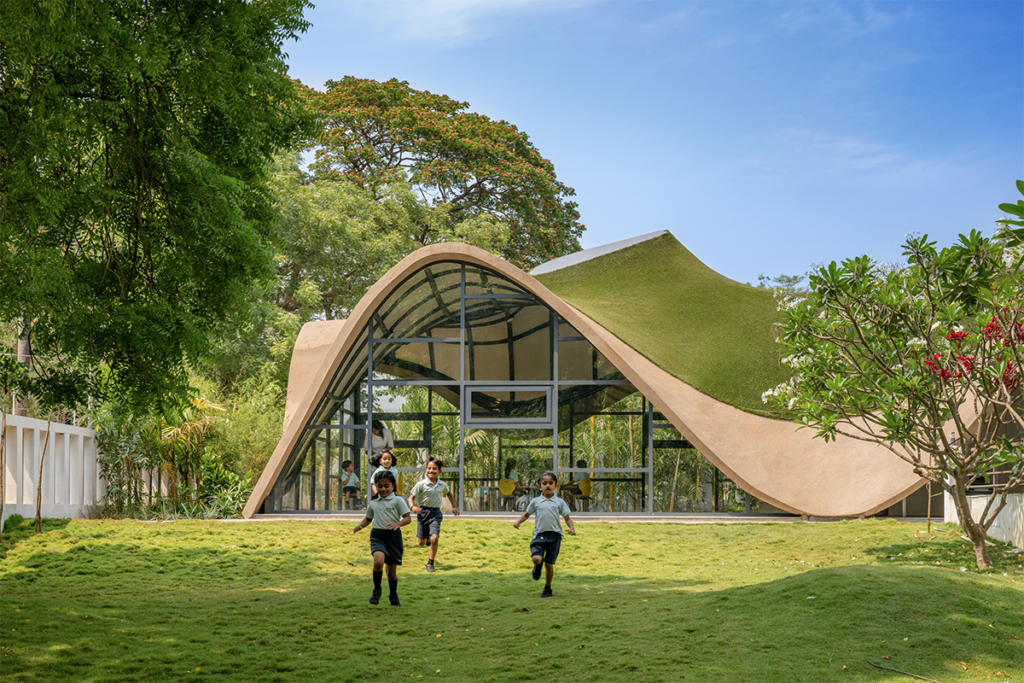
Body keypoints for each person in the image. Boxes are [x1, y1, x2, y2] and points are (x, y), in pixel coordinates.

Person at [513, 471, 576, 598]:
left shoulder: (559, 502)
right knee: (537, 559)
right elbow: (527, 514)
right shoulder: (536, 501)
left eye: (551, 483)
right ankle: (537, 567)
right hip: (539, 535)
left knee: (549, 564)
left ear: (556, 486)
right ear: (540, 487)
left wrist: (572, 528)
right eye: (544, 483)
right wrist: (518, 522)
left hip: (555, 536)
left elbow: (567, 517)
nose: (548, 486)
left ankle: (547, 588)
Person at [353, 471, 411, 606]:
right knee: (378, 561)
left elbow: (408, 518)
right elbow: (368, 518)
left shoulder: (398, 500)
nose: (383, 489)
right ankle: (376, 591)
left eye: (386, 486)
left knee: (391, 573)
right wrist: (360, 526)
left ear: (393, 486)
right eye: (380, 486)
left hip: (393, 538)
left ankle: (393, 595)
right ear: (376, 487)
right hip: (378, 536)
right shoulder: (373, 503)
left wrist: (398, 524)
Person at [407, 457, 460, 573]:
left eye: (434, 469)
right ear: (426, 470)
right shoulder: (421, 484)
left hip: (436, 513)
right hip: (423, 512)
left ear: (439, 471)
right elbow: (411, 497)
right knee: (421, 543)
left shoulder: (442, 484)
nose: (431, 470)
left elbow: (449, 494)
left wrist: (454, 507)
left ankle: (430, 563)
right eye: (429, 468)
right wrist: (413, 507)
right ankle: (426, 540)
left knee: (435, 538)